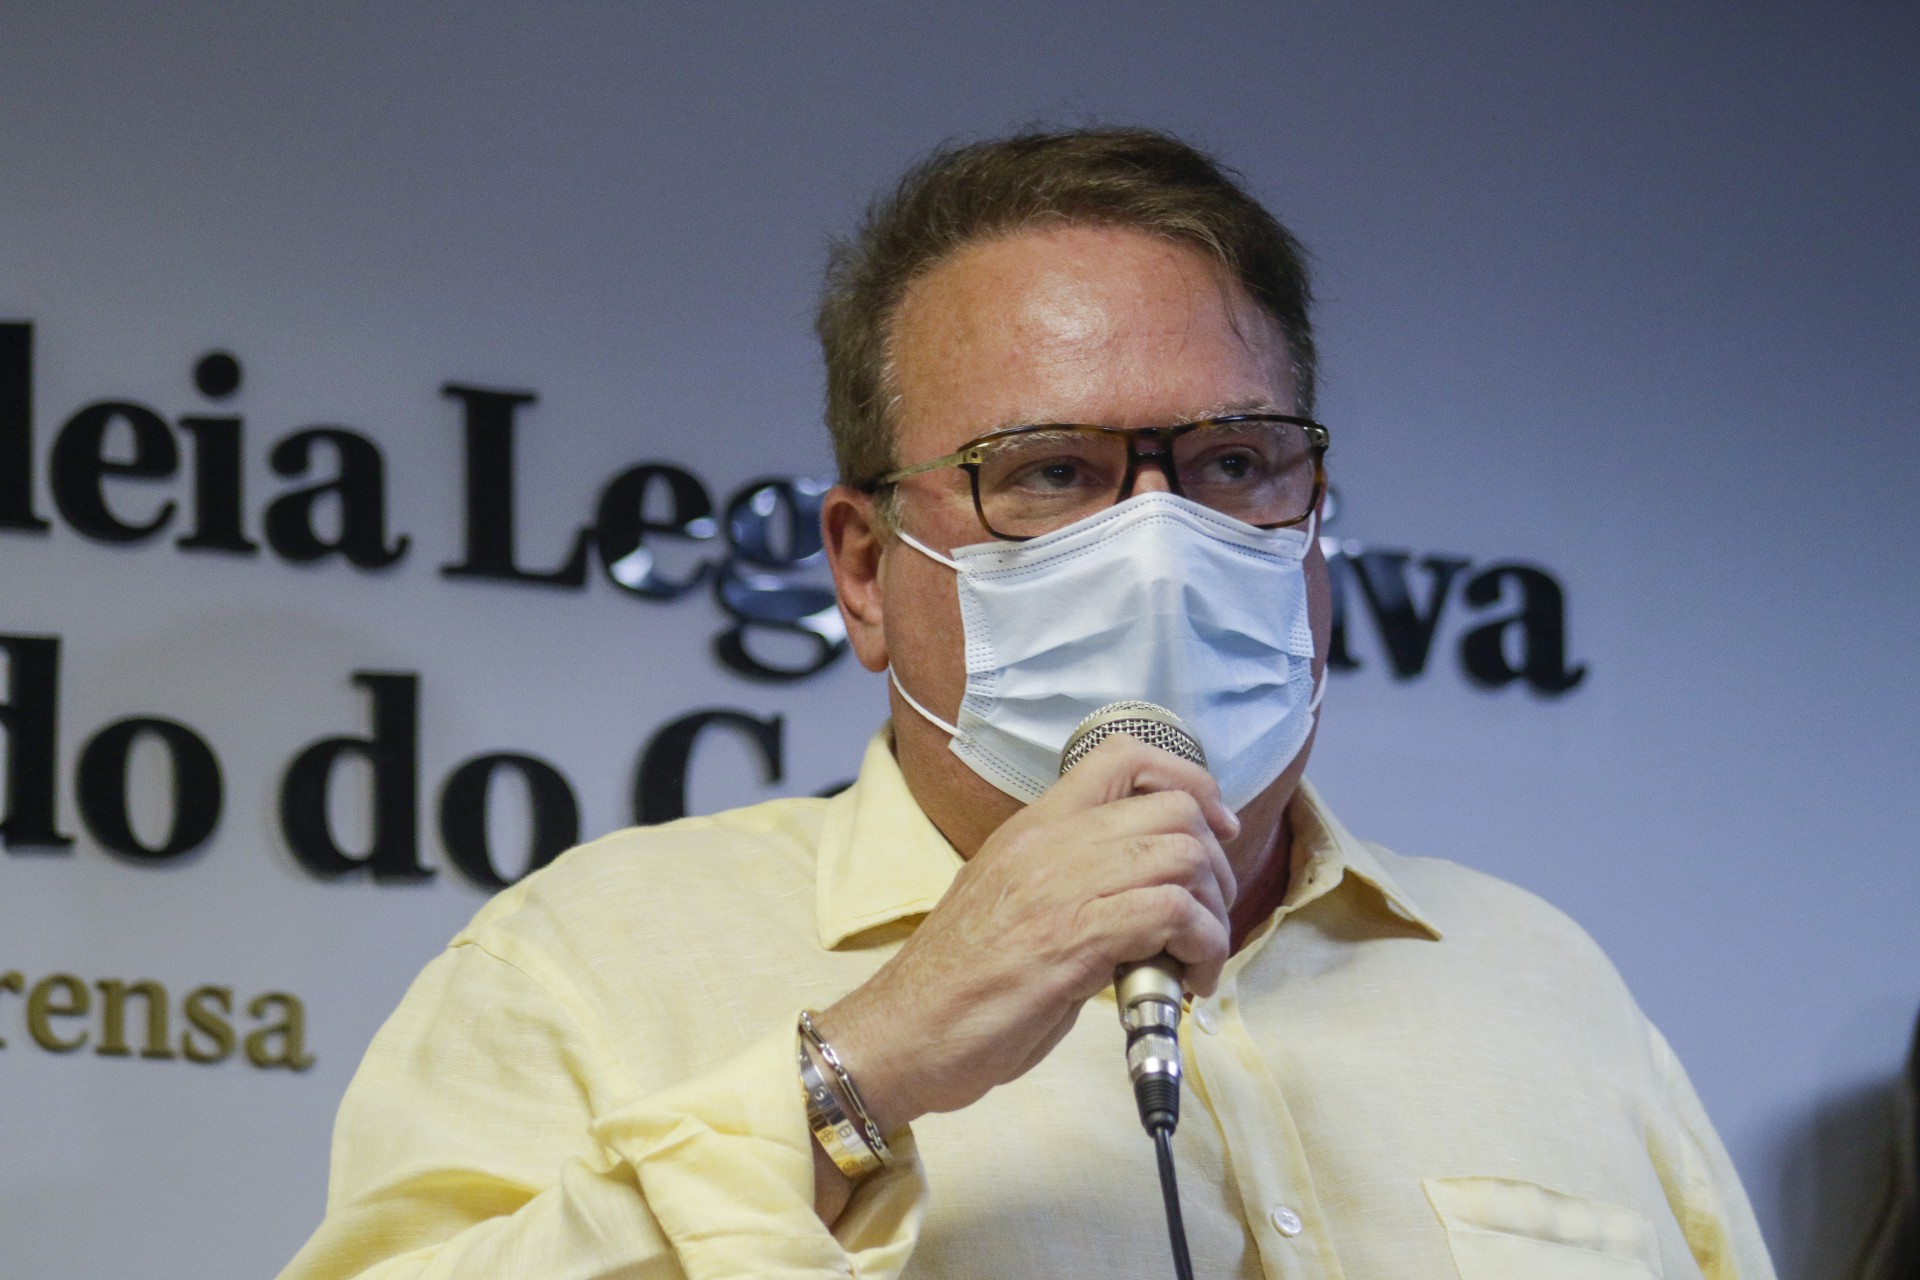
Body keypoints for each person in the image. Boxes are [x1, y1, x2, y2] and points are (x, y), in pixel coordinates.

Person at [280, 128, 1776, 1280]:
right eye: (1050, 472)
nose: (1158, 543)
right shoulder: (584, 969)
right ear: (865, 571)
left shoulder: (1540, 981)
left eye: (1235, 462)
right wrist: (860, 1073)